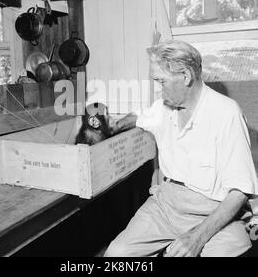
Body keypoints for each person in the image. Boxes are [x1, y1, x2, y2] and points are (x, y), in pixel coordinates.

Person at [105, 40, 258, 257]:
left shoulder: (226, 114)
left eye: (162, 82)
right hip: (165, 206)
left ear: (185, 76)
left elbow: (239, 191)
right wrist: (115, 126)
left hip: (213, 212)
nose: (160, 90)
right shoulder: (163, 108)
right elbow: (140, 116)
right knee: (116, 254)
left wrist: (197, 237)